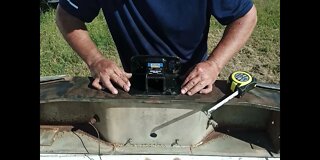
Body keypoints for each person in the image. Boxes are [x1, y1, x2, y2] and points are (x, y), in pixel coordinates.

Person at [56, 0, 257, 96]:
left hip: (192, 83)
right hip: (133, 82)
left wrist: (214, 64)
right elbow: (66, 15)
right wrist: (96, 61)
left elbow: (246, 16)